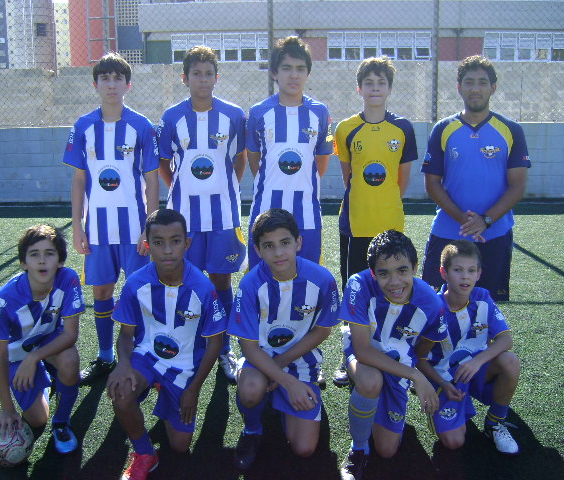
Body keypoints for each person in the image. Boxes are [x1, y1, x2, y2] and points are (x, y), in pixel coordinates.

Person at [107, 209, 226, 480]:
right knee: (121, 392)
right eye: (159, 242)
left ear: (187, 243)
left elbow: (215, 344)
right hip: (147, 356)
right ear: (147, 245)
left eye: (175, 241)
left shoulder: (203, 288)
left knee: (180, 447)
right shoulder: (136, 283)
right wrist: (123, 364)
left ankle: (166, 391)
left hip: (184, 367)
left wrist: (194, 389)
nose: (168, 250)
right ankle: (144, 453)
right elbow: (126, 335)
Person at [63, 52, 160, 385]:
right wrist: (78, 227)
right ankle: (105, 355)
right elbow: (79, 180)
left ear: (128, 85)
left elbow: (151, 180)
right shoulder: (83, 126)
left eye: (118, 78)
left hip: (134, 229)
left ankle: (141, 354)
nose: (111, 84)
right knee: (102, 292)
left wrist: (150, 227)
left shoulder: (141, 125)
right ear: (95, 84)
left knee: (140, 292)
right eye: (105, 78)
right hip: (98, 230)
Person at [158, 45, 246, 383]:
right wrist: (178, 189)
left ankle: (224, 348)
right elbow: (163, 162)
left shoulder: (233, 115)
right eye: (197, 73)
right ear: (185, 78)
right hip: (185, 218)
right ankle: (188, 346)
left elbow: (240, 158)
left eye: (209, 73)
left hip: (223, 215)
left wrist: (227, 187)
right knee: (186, 280)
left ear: (216, 77)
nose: (203, 79)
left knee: (221, 280)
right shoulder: (171, 117)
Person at [228, 208, 340, 471]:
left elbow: (323, 330)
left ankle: (283, 401)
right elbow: (249, 347)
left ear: (298, 242)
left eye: (285, 242)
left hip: (300, 360)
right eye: (269, 246)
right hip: (260, 360)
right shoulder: (250, 285)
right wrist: (287, 381)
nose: (278, 252)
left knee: (304, 449)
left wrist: (281, 371)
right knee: (251, 389)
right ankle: (252, 430)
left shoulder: (322, 280)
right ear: (258, 250)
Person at [332, 56, 418, 387]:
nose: (375, 88)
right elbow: (349, 178)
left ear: (390, 88)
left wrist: (384, 205)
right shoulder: (345, 128)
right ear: (359, 88)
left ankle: (392, 353)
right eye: (369, 83)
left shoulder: (403, 129)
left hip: (390, 224)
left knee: (393, 289)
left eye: (381, 83)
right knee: (354, 291)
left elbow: (401, 181)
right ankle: (349, 355)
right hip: (355, 225)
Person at [421, 55, 531, 302]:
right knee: (434, 304)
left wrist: (486, 220)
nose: (475, 89)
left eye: (482, 82)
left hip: (495, 233)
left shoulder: (511, 130)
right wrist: (466, 221)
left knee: (487, 307)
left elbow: (518, 185)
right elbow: (432, 183)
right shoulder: (443, 129)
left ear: (493, 88)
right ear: (459, 87)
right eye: (469, 82)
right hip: (449, 230)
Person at [339, 230, 445, 480]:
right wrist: (416, 376)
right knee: (370, 381)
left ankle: (375, 402)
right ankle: (358, 450)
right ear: (373, 273)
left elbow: (424, 347)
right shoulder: (359, 284)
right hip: (363, 352)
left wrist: (414, 368)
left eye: (402, 270)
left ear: (415, 268)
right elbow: (363, 350)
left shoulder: (431, 302)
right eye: (384, 273)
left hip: (399, 361)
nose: (395, 282)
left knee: (387, 450)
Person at [0, 224, 84, 454]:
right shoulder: (4, 300)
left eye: (49, 253)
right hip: (17, 356)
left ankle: (61, 423)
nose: (42, 261)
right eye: (34, 254)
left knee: (69, 360)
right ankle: (45, 382)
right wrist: (7, 408)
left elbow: (70, 334)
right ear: (23, 263)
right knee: (37, 420)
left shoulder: (68, 279)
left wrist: (34, 357)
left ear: (60, 261)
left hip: (46, 343)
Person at [415, 240, 521, 454]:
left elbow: (506, 340)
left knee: (510, 361)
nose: (465, 277)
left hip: (476, 370)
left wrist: (477, 361)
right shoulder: (434, 309)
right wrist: (443, 384)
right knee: (454, 442)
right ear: (444, 273)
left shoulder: (483, 298)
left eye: (471, 270)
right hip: (444, 378)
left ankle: (494, 423)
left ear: (479, 274)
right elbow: (419, 358)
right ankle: (449, 408)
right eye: (458, 270)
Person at [246, 36, 333, 269]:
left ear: (308, 73)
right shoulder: (258, 112)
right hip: (266, 207)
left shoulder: (321, 113)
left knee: (307, 275)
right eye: (286, 68)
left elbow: (321, 162)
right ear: (274, 73)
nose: (294, 75)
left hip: (307, 212)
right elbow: (255, 161)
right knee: (263, 276)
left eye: (300, 69)